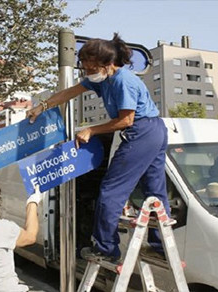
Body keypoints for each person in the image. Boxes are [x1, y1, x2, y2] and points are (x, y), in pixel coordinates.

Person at [26, 33, 170, 261]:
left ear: (106, 64)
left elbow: (126, 121)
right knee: (154, 190)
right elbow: (68, 93)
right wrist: (42, 106)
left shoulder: (123, 80)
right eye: (84, 67)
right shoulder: (104, 80)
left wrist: (91, 130)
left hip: (142, 131)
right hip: (154, 130)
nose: (86, 71)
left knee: (110, 191)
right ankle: (161, 244)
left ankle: (105, 248)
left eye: (89, 66)